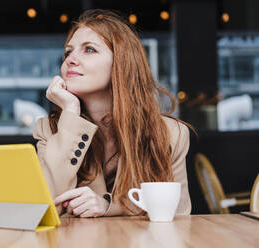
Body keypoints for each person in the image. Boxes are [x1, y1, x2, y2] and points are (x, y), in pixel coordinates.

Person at [33, 9, 192, 217]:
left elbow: (177, 215)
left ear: (122, 63)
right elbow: (45, 208)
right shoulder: (48, 129)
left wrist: (109, 207)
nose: (70, 59)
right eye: (68, 52)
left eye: (89, 49)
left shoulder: (172, 133)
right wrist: (70, 113)